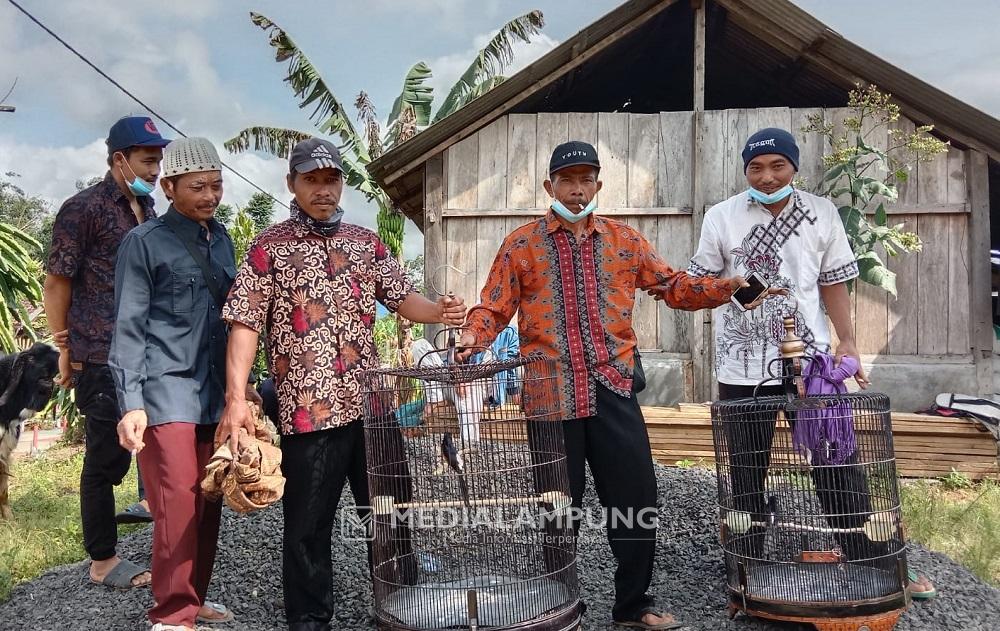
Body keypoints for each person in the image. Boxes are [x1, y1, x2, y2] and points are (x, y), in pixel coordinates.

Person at [458, 141, 776, 630]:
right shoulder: (520, 244)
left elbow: (673, 286)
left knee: (635, 498)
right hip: (550, 392)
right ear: (551, 186)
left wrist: (726, 286)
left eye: (587, 179)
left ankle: (633, 604)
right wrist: (471, 337)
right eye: (568, 179)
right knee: (557, 506)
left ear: (599, 185)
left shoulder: (625, 240)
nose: (578, 189)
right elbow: (494, 306)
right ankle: (560, 604)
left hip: (614, 384)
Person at [217, 138, 467, 631]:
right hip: (309, 409)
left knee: (391, 505)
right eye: (311, 180)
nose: (323, 189)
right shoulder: (270, 247)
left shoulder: (365, 242)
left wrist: (437, 311)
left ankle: (402, 600)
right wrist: (236, 397)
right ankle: (310, 618)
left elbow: (403, 298)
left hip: (372, 403)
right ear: (292, 184)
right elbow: (244, 322)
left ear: (341, 185)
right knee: (308, 522)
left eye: (330, 180)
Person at [685, 126, 937, 600]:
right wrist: (735, 284)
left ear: (794, 166)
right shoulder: (721, 217)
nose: (766, 175)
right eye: (755, 167)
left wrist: (847, 341)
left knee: (836, 459)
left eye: (777, 165)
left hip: (814, 363)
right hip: (742, 363)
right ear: (745, 170)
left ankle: (876, 562)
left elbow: (833, 283)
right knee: (745, 467)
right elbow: (699, 279)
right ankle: (746, 565)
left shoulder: (821, 213)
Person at [112, 137, 256, 630]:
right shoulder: (143, 243)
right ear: (170, 187)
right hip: (165, 392)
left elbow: (236, 322)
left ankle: (192, 600)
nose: (210, 196)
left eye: (217, 186)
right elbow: (128, 327)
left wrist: (245, 387)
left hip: (215, 396)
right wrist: (131, 404)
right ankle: (171, 615)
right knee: (175, 504)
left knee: (209, 498)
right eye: (198, 187)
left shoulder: (224, 242)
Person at [43, 116, 169, 590]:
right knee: (104, 460)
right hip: (100, 353)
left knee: (152, 446)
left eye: (157, 159)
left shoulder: (149, 210)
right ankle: (102, 560)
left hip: (149, 354)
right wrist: (64, 349)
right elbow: (57, 282)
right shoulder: (84, 209)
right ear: (119, 159)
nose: (155, 168)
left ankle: (162, 539)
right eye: (147, 159)